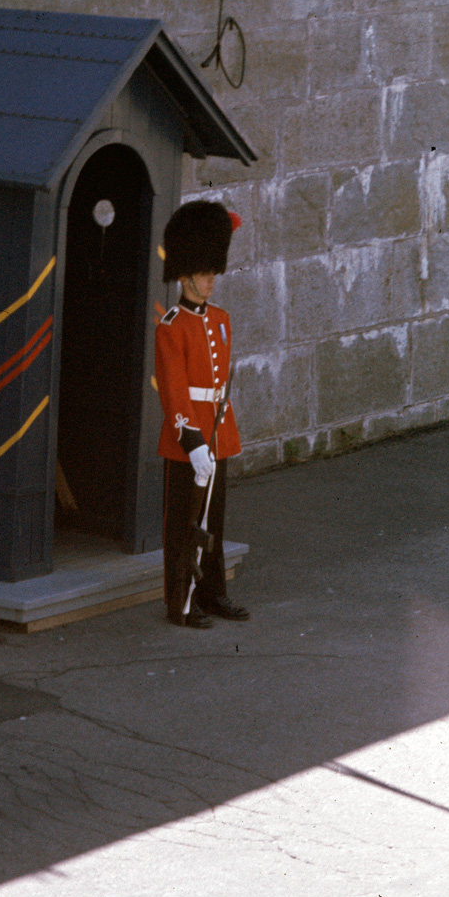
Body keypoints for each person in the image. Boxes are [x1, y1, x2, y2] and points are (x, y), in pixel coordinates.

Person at [155, 199, 250, 629]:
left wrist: (215, 436)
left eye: (214, 271)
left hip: (219, 433)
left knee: (214, 520)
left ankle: (212, 594)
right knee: (183, 525)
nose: (212, 280)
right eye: (205, 272)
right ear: (186, 274)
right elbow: (174, 392)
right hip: (189, 441)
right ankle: (182, 603)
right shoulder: (172, 325)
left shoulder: (222, 320)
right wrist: (191, 440)